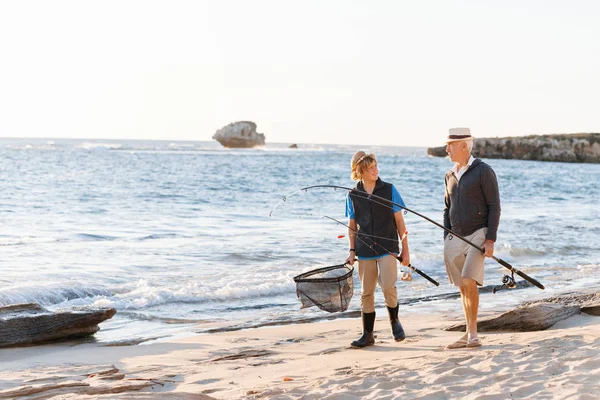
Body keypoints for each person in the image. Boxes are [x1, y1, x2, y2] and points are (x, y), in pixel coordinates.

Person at [344, 151, 410, 348]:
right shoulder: (353, 195)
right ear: (360, 171)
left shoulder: (389, 190)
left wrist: (405, 250)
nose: (376, 170)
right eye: (370, 167)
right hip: (364, 249)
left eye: (376, 166)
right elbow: (351, 226)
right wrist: (352, 251)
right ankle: (367, 334)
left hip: (388, 247)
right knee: (366, 292)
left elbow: (400, 221)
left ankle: (394, 322)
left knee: (388, 286)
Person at [443, 128, 501, 349]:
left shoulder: (483, 171)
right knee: (461, 285)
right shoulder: (449, 175)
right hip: (455, 236)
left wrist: (490, 239)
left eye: (450, 145)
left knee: (469, 279)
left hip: (479, 233)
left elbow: (494, 206)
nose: (447, 149)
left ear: (464, 146)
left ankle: (474, 334)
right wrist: (446, 236)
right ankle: (467, 333)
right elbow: (446, 208)